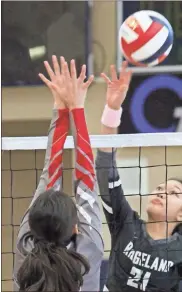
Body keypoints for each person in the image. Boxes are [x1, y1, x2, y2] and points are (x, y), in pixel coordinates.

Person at [13, 55, 104, 292]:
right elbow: (57, 177)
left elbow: (80, 183)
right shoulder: (86, 255)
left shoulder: (27, 257)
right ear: (75, 228)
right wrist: (71, 108)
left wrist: (69, 108)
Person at [96, 62, 182, 292]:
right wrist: (112, 109)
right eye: (160, 187)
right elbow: (106, 170)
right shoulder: (126, 223)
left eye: (174, 193)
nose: (162, 192)